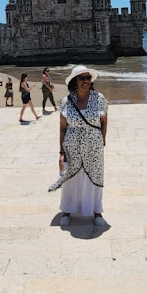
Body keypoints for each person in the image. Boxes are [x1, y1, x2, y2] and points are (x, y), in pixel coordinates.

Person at [48, 65, 108, 227]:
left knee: (94, 178)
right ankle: (67, 210)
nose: (86, 81)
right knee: (71, 179)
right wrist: (61, 151)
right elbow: (62, 127)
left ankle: (97, 211)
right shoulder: (67, 102)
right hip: (72, 145)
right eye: (82, 78)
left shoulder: (99, 98)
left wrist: (102, 140)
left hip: (93, 146)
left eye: (88, 78)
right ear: (75, 81)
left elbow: (104, 120)